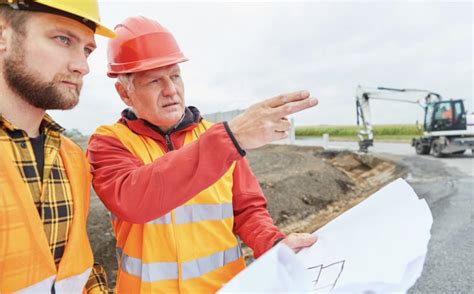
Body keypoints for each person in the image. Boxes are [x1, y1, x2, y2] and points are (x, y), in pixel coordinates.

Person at [87, 16, 318, 293]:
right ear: (125, 93)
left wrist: (273, 244)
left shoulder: (217, 138)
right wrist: (229, 139)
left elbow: (247, 210)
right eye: (154, 81)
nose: (170, 90)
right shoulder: (109, 142)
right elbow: (134, 199)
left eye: (175, 76)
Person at [0, 0, 115, 292]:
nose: (83, 66)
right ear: (3, 35)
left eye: (87, 50)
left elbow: (77, 269)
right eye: (63, 39)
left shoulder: (72, 159)